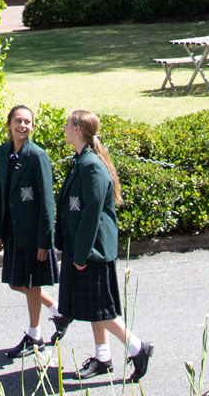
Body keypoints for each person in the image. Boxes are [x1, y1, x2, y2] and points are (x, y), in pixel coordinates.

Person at [55, 110, 153, 382]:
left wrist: (81, 253)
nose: (63, 128)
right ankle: (102, 357)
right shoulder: (81, 161)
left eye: (67, 124)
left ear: (77, 129)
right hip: (84, 247)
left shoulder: (91, 166)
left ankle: (137, 347)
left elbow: (92, 213)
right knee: (93, 308)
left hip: (92, 250)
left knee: (101, 310)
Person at [0, 105, 64, 360]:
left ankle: (35, 336)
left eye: (28, 122)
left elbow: (47, 202)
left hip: (33, 234)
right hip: (12, 232)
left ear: (33, 127)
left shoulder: (37, 156)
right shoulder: (3, 152)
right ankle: (58, 310)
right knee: (15, 282)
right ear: (9, 124)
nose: (23, 125)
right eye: (18, 121)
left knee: (30, 283)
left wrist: (45, 241)